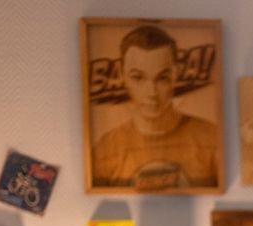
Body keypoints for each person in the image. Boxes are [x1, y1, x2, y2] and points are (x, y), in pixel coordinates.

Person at [91, 24, 220, 191]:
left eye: (162, 78)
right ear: (122, 76)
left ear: (176, 74)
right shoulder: (104, 149)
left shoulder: (211, 138)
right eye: (138, 78)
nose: (152, 92)